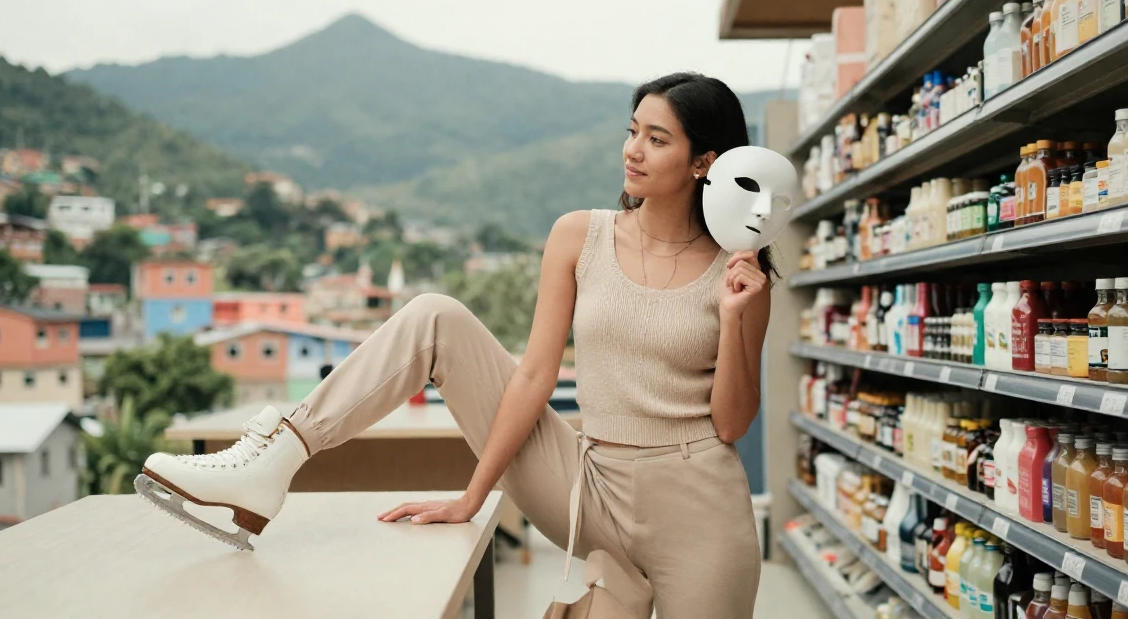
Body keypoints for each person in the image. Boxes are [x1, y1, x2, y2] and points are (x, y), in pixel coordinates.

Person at [135, 72, 774, 618]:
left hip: (699, 508)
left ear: (704, 162)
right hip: (588, 482)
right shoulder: (581, 236)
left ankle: (620, 585)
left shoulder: (740, 271)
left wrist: (738, 314)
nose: (633, 150)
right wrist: (474, 495)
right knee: (436, 315)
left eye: (656, 139)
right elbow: (533, 377)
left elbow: (732, 421)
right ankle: (276, 457)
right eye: (632, 130)